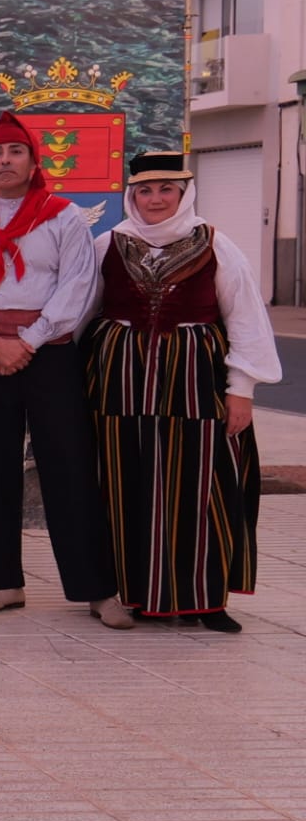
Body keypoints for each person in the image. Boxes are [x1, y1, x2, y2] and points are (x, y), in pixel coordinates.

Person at [0, 111, 130, 627]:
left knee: (68, 465)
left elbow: (79, 287)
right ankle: (2, 582)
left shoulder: (64, 217)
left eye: (14, 152)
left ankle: (95, 588)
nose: (5, 161)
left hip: (50, 353)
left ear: (32, 160)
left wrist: (30, 341)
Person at [84, 153, 279, 632]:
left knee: (199, 486)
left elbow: (245, 319)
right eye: (145, 191)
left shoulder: (218, 246)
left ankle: (204, 599)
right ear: (132, 195)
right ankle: (126, 593)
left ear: (183, 193)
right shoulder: (107, 243)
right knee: (121, 483)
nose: (155, 200)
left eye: (166, 189)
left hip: (194, 385)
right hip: (118, 386)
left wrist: (242, 390)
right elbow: (80, 311)